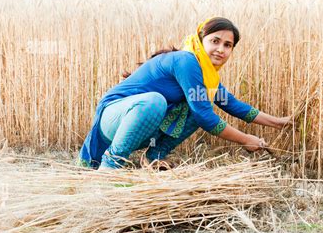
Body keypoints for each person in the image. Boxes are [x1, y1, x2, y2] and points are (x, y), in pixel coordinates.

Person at [77, 17, 292, 170]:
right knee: (156, 102)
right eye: (215, 41)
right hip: (113, 120)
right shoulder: (186, 61)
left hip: (140, 128)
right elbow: (206, 118)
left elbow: (232, 104)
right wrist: (245, 139)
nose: (221, 49)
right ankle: (111, 163)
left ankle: (154, 158)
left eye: (228, 45)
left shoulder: (206, 76)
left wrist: (280, 123)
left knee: (196, 105)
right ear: (200, 40)